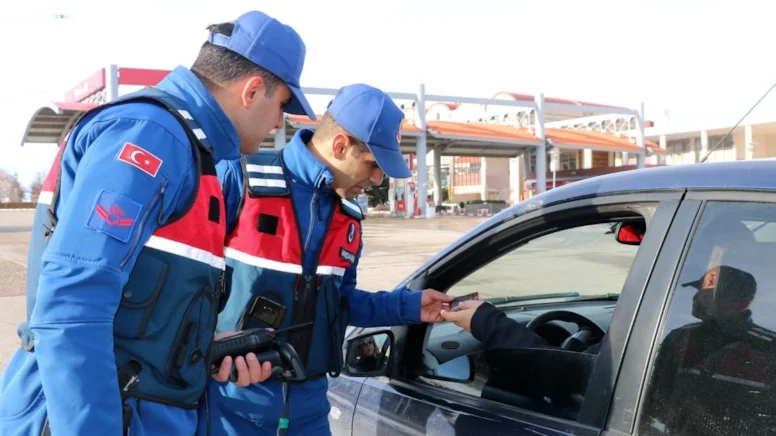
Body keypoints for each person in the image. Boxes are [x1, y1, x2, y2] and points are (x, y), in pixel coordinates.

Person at [0, 10, 317, 436]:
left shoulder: (189, 149)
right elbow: (72, 303)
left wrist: (193, 345)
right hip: (87, 416)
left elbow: (136, 300)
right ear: (252, 90)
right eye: (281, 106)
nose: (280, 123)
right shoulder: (153, 136)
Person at [200, 83, 453, 435]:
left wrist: (410, 307)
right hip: (227, 408)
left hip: (311, 411)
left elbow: (342, 302)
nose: (377, 180)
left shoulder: (348, 218)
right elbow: (184, 285)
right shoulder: (238, 178)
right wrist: (204, 347)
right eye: (372, 165)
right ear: (339, 146)